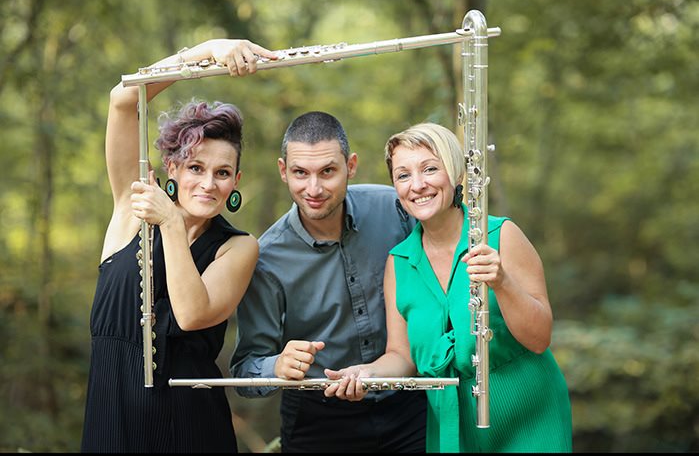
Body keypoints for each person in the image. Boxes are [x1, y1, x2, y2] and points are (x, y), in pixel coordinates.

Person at [324, 122, 573, 453]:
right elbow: (402, 356)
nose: (418, 185)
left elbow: (540, 338)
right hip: (451, 425)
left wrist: (502, 282)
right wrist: (366, 373)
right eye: (403, 175)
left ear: (456, 173)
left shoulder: (501, 235)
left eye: (430, 169)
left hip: (529, 418)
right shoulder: (399, 263)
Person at [80, 39, 278, 453]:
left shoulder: (238, 247)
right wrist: (206, 50)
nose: (208, 183)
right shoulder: (132, 207)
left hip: (192, 431)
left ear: (236, 181)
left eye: (222, 172)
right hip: (111, 425)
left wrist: (170, 221)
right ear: (172, 168)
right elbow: (123, 100)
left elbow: (191, 315)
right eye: (195, 167)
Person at [229, 111, 427, 453]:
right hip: (317, 420)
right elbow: (245, 371)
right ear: (283, 171)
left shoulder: (396, 209)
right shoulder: (266, 259)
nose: (314, 189)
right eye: (300, 173)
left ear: (351, 166)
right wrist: (277, 365)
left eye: (327, 172)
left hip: (408, 405)